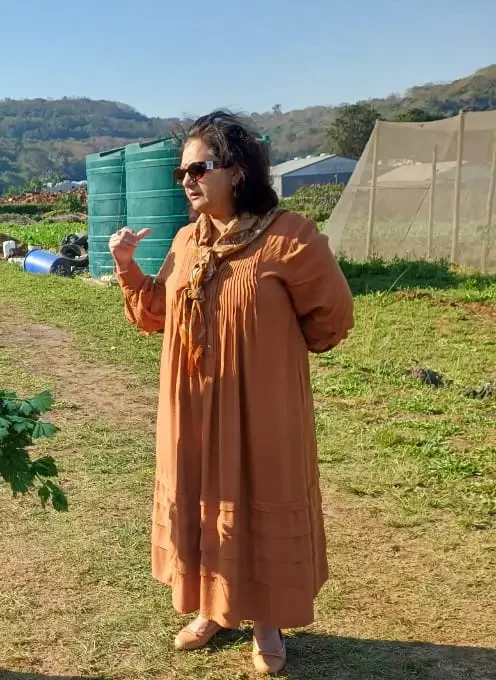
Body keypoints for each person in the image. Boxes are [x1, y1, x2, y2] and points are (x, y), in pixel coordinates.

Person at [109, 111, 354, 675]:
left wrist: (270, 356)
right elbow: (155, 314)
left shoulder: (290, 237)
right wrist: (127, 267)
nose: (187, 180)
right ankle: (211, 608)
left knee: (259, 492)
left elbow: (332, 316)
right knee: (202, 497)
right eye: (181, 172)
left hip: (262, 410)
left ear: (238, 171)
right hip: (192, 411)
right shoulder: (186, 241)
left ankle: (266, 621)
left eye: (199, 168)